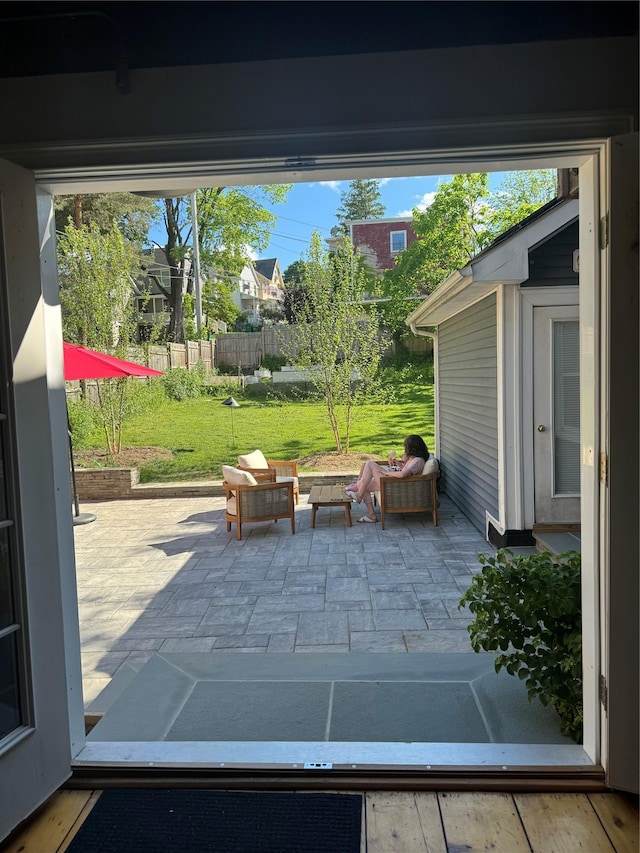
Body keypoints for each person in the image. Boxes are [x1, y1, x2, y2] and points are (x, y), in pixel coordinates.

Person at [345, 434, 433, 523]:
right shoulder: (414, 459)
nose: (405, 449)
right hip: (396, 482)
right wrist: (397, 463)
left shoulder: (418, 461)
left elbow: (403, 475)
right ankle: (371, 515)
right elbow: (406, 471)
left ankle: (359, 494)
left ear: (412, 447)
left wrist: (387, 473)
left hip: (395, 486)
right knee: (364, 485)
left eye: (406, 447)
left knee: (370, 464)